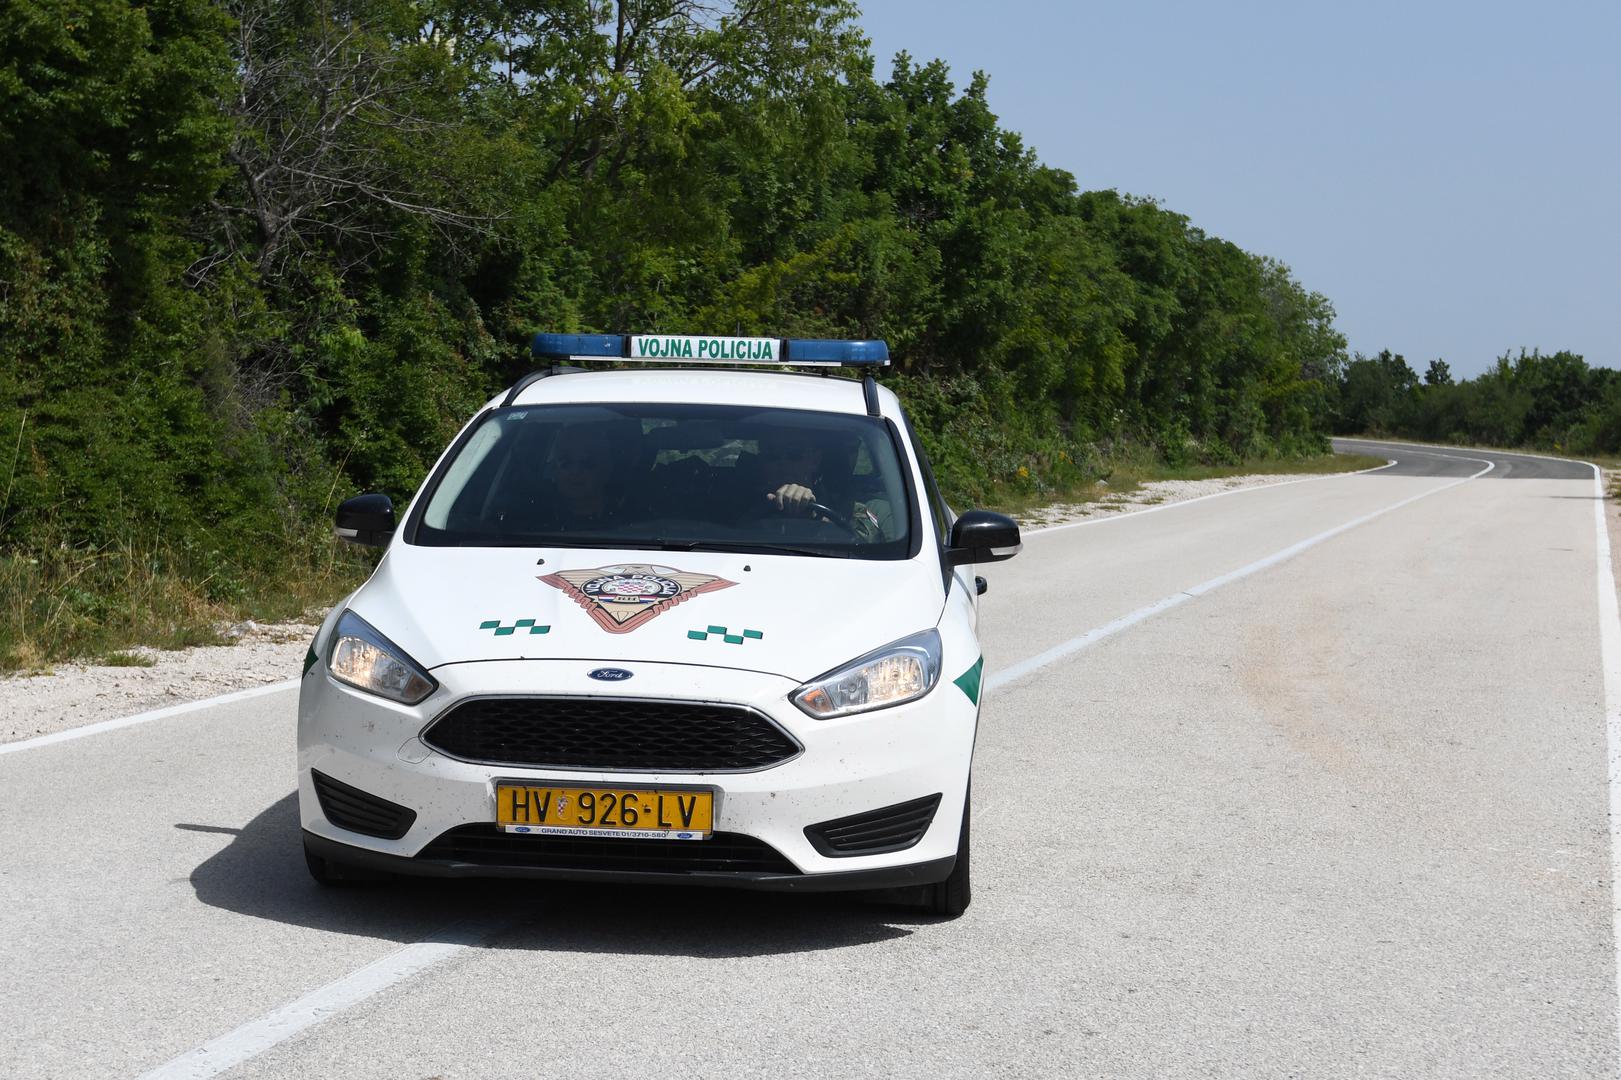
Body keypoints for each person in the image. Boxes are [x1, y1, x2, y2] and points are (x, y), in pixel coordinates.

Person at [757, 430, 894, 543]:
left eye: (794, 454)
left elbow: (883, 554)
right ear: (761, 462)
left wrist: (816, 522)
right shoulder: (740, 505)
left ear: (815, 460)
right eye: (771, 455)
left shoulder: (860, 510)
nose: (783, 463)